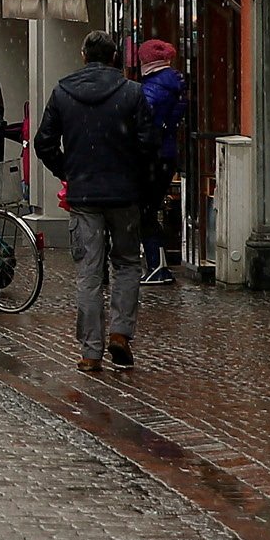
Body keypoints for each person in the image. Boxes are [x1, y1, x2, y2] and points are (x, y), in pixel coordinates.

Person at [35, 32, 160, 373]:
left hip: (85, 194)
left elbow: (43, 143)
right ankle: (120, 333)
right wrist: (135, 174)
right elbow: (150, 144)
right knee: (127, 264)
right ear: (115, 56)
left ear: (83, 54)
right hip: (124, 193)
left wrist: (69, 171)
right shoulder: (131, 93)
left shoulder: (63, 92)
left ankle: (91, 351)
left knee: (89, 273)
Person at [134, 39, 189, 285]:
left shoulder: (153, 88)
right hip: (167, 154)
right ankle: (159, 264)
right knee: (150, 209)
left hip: (153, 156)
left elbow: (144, 120)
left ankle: (156, 265)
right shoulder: (175, 83)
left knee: (145, 212)